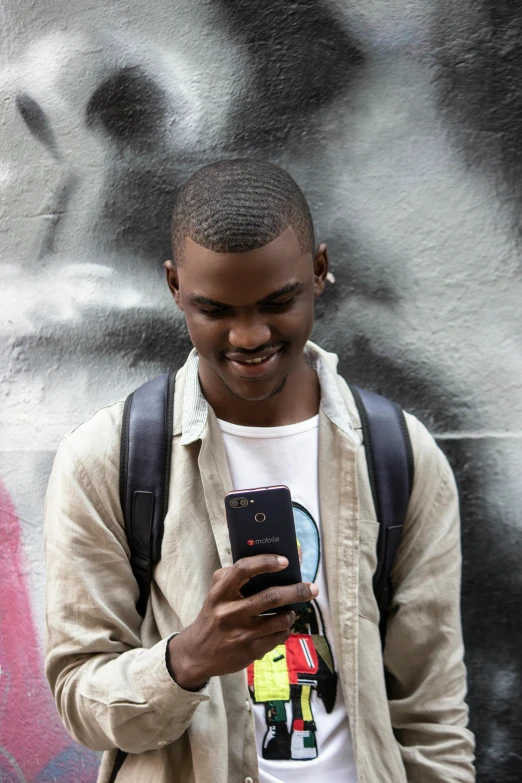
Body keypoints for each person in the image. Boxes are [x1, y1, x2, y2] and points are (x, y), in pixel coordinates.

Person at [44, 159, 475, 783]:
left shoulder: (401, 455)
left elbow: (432, 714)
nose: (248, 335)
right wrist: (186, 660)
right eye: (214, 310)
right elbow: (79, 697)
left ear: (320, 271)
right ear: (173, 287)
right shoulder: (109, 458)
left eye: (278, 302)